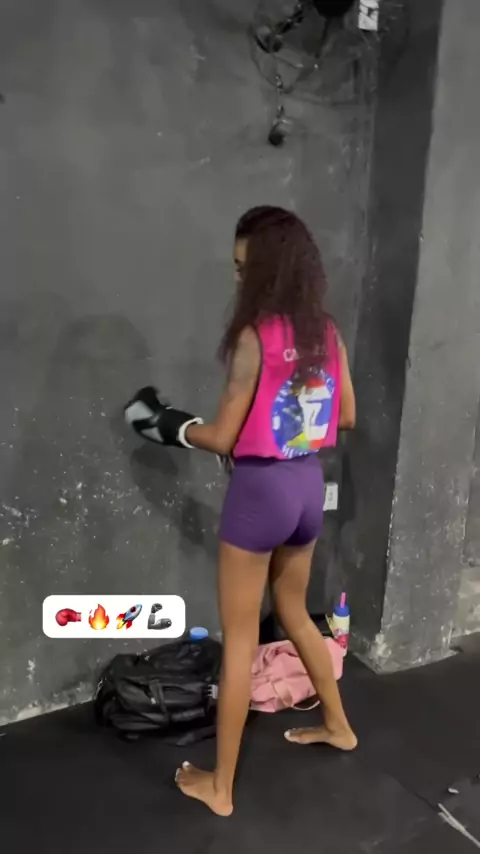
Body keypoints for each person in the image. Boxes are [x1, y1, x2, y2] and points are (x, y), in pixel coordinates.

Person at [125, 206, 357, 817]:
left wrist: (169, 425)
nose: (237, 278)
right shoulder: (326, 331)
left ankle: (220, 787)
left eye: (243, 268)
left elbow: (224, 436)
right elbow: (346, 416)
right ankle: (338, 725)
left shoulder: (255, 337)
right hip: (306, 486)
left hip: (260, 495)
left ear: (270, 270)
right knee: (294, 612)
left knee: (240, 643)